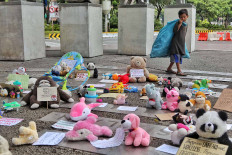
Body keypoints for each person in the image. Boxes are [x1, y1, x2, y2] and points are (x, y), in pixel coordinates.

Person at [166, 9, 188, 76]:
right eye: (181, 17)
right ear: (179, 17)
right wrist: (179, 23)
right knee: (176, 56)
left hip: (181, 43)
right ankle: (179, 71)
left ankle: (169, 69)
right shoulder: (177, 23)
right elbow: (175, 31)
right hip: (175, 43)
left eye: (184, 17)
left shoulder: (186, 24)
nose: (183, 18)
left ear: (187, 16)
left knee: (176, 57)